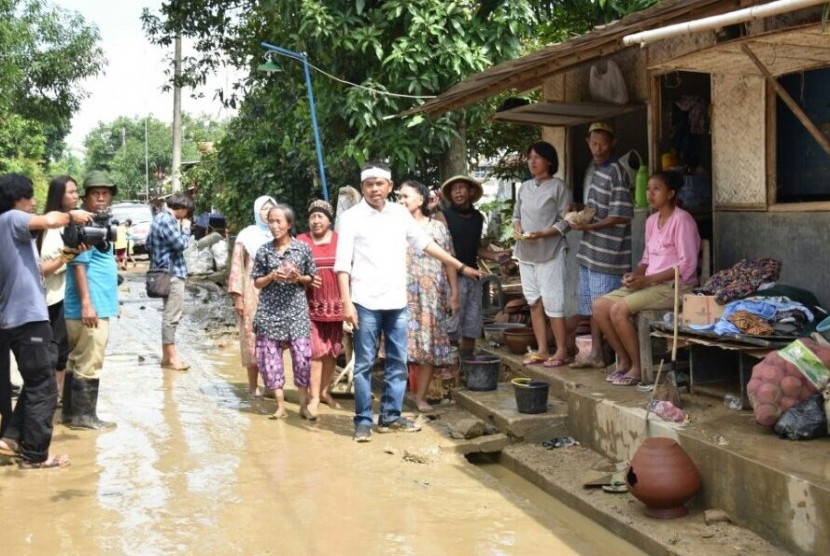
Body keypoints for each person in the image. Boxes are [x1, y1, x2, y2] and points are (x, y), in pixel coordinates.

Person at [335, 161, 482, 443]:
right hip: (365, 300)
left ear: (389, 187)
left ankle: (390, 415)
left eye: (380, 183)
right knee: (365, 363)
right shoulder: (352, 217)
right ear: (363, 187)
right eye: (369, 184)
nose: (375, 188)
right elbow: (342, 264)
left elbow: (427, 245)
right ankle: (363, 421)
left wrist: (461, 267)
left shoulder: (399, 215)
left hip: (396, 301)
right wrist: (346, 302)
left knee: (398, 361)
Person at [0, 173, 93, 468]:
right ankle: (35, 457)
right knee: (46, 387)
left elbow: (40, 270)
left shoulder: (11, 233)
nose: (34, 203)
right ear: (17, 199)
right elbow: (49, 221)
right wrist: (71, 215)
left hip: (18, 318)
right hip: (27, 319)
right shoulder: (11, 218)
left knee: (35, 380)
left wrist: (69, 253)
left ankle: (12, 437)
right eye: (30, 197)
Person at [593, 171, 700, 386]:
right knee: (599, 307)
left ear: (670, 193)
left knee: (618, 310)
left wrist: (648, 281)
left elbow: (686, 265)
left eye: (657, 189)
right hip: (651, 283)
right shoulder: (651, 221)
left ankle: (638, 367)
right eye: (648, 189)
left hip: (675, 287)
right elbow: (646, 258)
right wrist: (636, 275)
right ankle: (624, 361)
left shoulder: (682, 220)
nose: (650, 194)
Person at [568, 122, 634, 370]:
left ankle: (618, 357)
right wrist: (578, 210)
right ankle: (596, 352)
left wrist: (588, 227)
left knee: (604, 307)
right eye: (594, 143)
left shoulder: (617, 171)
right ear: (588, 143)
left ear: (612, 143)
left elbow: (621, 215)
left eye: (603, 143)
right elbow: (596, 209)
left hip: (609, 254)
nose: (598, 147)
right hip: (590, 251)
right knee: (593, 308)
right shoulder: (595, 170)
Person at [63, 170, 121, 431]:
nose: (100, 198)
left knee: (76, 360)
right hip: (89, 307)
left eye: (105, 193)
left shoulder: (97, 222)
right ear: (86, 197)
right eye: (95, 193)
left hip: (89, 305)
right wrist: (88, 303)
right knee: (90, 360)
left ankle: (70, 414)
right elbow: (78, 264)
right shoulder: (83, 225)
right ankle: (84, 417)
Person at [397, 180, 459, 412]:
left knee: (428, 347)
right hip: (400, 296)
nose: (401, 201)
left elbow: (449, 261)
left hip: (432, 297)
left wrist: (455, 294)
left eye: (405, 197)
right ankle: (398, 396)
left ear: (421, 200)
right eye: (399, 197)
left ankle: (420, 397)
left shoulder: (438, 228)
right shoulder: (393, 226)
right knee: (399, 346)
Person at [252, 204, 318, 420]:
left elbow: (311, 278)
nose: (274, 225)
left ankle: (302, 404)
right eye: (271, 221)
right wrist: (272, 276)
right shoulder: (263, 250)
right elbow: (257, 283)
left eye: (279, 221)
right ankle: (280, 406)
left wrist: (298, 278)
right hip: (269, 313)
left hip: (296, 312)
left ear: (289, 224)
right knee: (270, 361)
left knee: (302, 359)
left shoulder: (302, 249)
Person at [512, 141, 571, 368]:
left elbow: (567, 221)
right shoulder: (525, 187)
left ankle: (562, 351)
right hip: (526, 252)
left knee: (553, 303)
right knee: (534, 302)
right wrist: (518, 229)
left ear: (549, 161)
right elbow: (516, 216)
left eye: (537, 157)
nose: (532, 161)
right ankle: (543, 349)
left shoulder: (559, 187)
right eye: (529, 157)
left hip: (551, 251)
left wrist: (543, 233)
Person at [434, 175, 501, 358]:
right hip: (450, 278)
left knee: (472, 326)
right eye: (454, 189)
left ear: (471, 192)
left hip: (473, 278)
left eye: (462, 188)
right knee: (451, 327)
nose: (458, 192)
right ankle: (450, 367)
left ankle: (468, 365)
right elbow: (443, 252)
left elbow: (475, 247)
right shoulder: (443, 216)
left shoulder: (478, 218)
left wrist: (496, 256)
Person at [35, 176, 80, 411]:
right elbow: (44, 268)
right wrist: (69, 254)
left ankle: (57, 394)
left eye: (76, 191)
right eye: (70, 192)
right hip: (55, 297)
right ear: (58, 196)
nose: (75, 195)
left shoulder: (70, 223)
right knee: (57, 351)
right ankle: (53, 395)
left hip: (68, 295)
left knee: (64, 350)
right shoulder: (50, 228)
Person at [297, 199, 343, 418]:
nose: (316, 221)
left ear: (329, 220)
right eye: (312, 216)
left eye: (320, 216)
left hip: (336, 304)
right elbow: (291, 270)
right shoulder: (301, 241)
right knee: (315, 352)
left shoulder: (340, 240)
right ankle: (313, 398)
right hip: (309, 305)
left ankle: (325, 391)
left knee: (333, 350)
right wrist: (304, 279)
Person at [228, 195, 276, 398]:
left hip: (276, 293)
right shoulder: (246, 236)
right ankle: (253, 385)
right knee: (251, 338)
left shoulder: (280, 235)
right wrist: (238, 297)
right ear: (257, 212)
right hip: (251, 293)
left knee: (274, 339)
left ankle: (272, 385)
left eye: (271, 209)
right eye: (264, 209)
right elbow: (237, 267)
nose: (267, 213)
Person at [147, 192, 195, 372]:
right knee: (172, 316)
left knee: (169, 314)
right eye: (187, 212)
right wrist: (185, 228)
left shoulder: (157, 218)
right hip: (173, 273)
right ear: (182, 209)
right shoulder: (167, 220)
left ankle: (167, 357)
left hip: (163, 272)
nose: (187, 216)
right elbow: (181, 245)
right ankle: (173, 359)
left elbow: (147, 244)